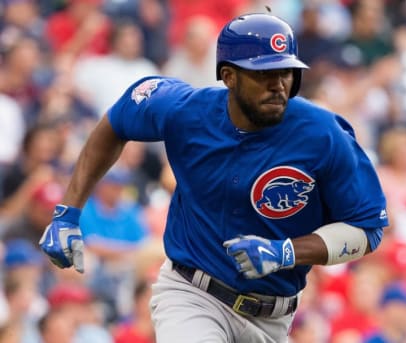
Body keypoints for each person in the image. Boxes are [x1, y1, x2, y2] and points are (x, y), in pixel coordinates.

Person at [38, 13, 388, 342]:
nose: (278, 85)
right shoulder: (184, 110)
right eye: (263, 74)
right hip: (191, 293)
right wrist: (67, 212)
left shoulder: (324, 133)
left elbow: (368, 228)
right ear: (229, 76)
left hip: (273, 316)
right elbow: (116, 121)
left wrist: (285, 252)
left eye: (285, 72)